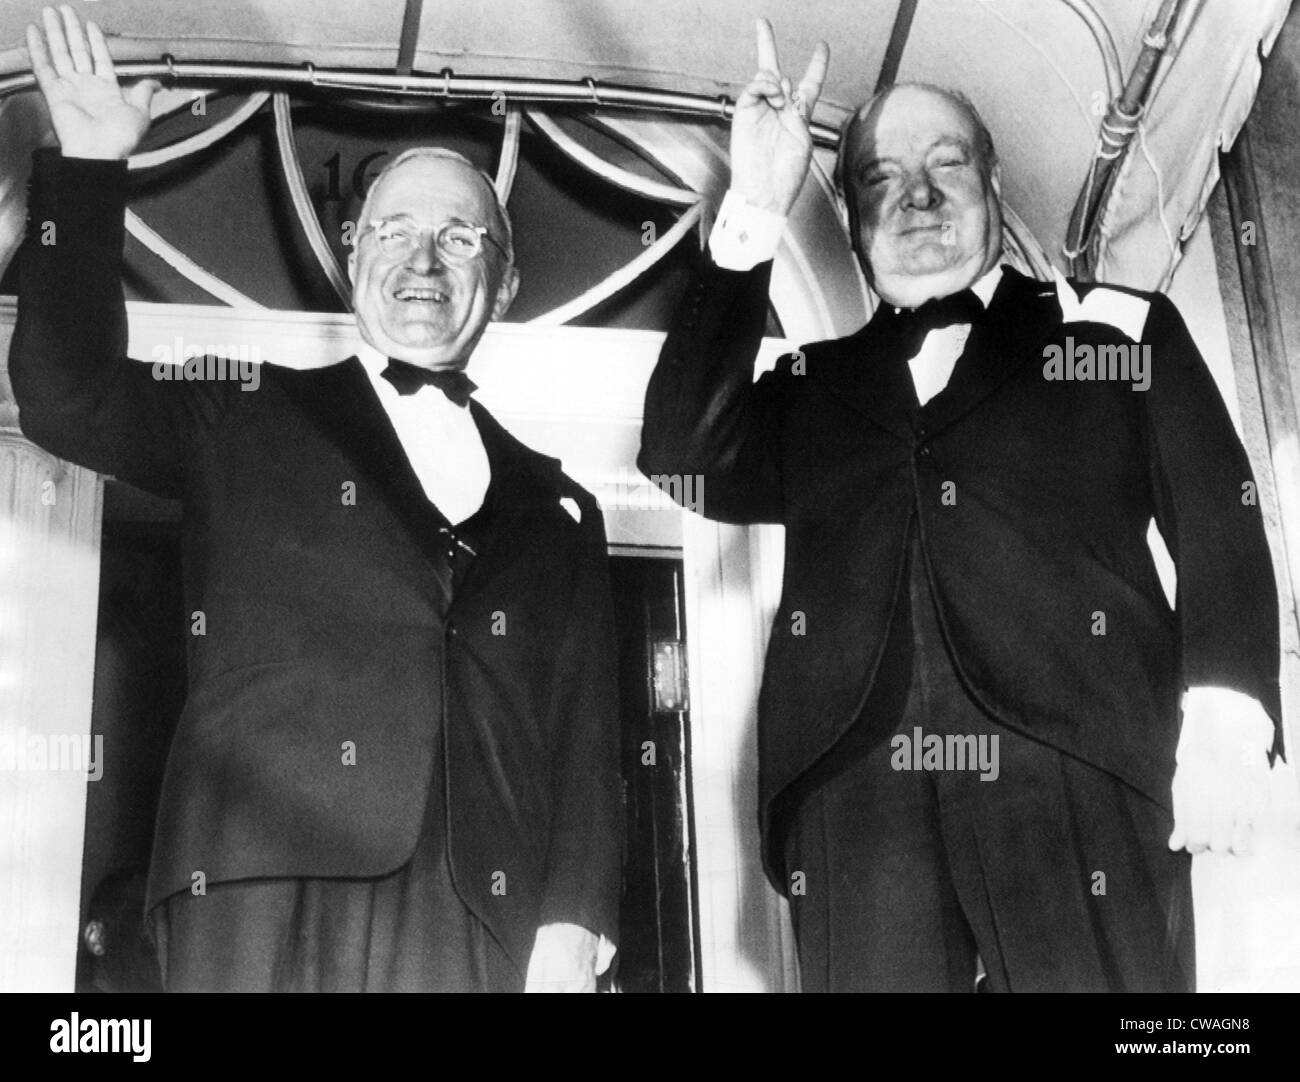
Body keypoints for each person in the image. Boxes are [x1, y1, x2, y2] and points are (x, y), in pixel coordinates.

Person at [639, 18, 1283, 992]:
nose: (917, 197)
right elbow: (683, 454)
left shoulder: (1112, 328)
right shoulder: (813, 382)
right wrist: (756, 208)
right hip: (851, 795)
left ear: (990, 184)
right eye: (880, 181)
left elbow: (1220, 511)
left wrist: (1227, 721)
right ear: (851, 224)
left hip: (1075, 763)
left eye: (946, 165)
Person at [12, 5, 621, 993]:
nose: (423, 260)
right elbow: (63, 395)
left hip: (474, 915)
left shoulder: (563, 510)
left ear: (502, 285)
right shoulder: (242, 413)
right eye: (394, 230)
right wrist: (86, 171)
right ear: (351, 255)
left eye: (460, 238)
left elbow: (588, 741)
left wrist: (574, 916)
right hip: (256, 890)